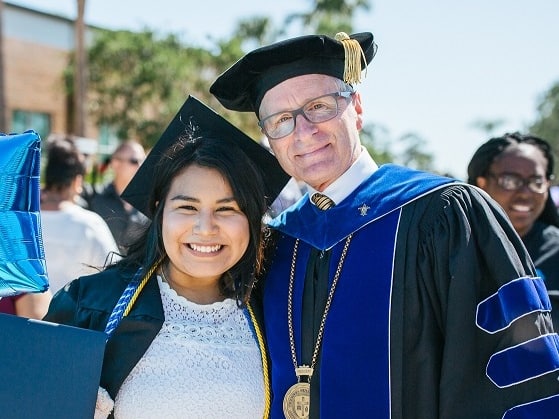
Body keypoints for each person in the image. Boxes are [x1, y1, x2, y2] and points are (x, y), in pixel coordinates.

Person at [210, 31, 559, 418]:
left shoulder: (443, 215)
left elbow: (517, 372)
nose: (303, 131)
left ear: (356, 107)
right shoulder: (277, 243)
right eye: (280, 120)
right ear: (269, 137)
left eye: (320, 107)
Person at [43, 96, 289, 418]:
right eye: (187, 207)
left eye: (227, 209)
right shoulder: (90, 306)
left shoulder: (275, 314)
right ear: (159, 211)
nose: (205, 228)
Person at [467, 132, 559, 327]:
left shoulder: (556, 251)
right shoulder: (454, 248)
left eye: (536, 182)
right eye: (510, 181)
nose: (525, 193)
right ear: (482, 184)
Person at [40, 137, 120, 294]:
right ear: (77, 181)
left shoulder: (20, 222)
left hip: (19, 317)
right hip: (71, 316)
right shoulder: (90, 224)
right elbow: (115, 276)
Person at [89, 140, 149, 253]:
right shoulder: (94, 198)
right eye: (134, 161)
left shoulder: (152, 201)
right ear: (116, 163)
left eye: (143, 161)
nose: (140, 165)